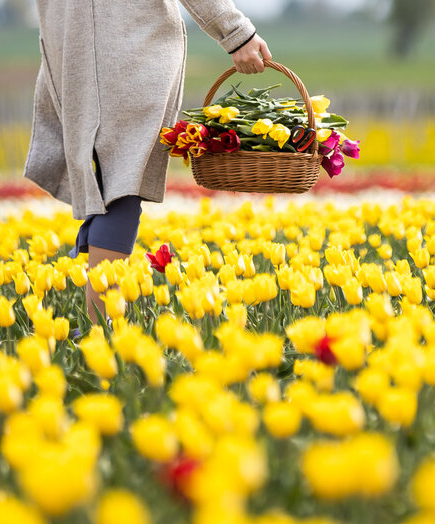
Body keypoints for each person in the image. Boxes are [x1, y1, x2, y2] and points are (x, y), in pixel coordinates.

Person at [23, 1, 271, 325]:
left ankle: (98, 326)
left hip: (74, 49)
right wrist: (237, 33)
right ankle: (102, 333)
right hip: (129, 48)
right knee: (122, 188)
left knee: (109, 185)